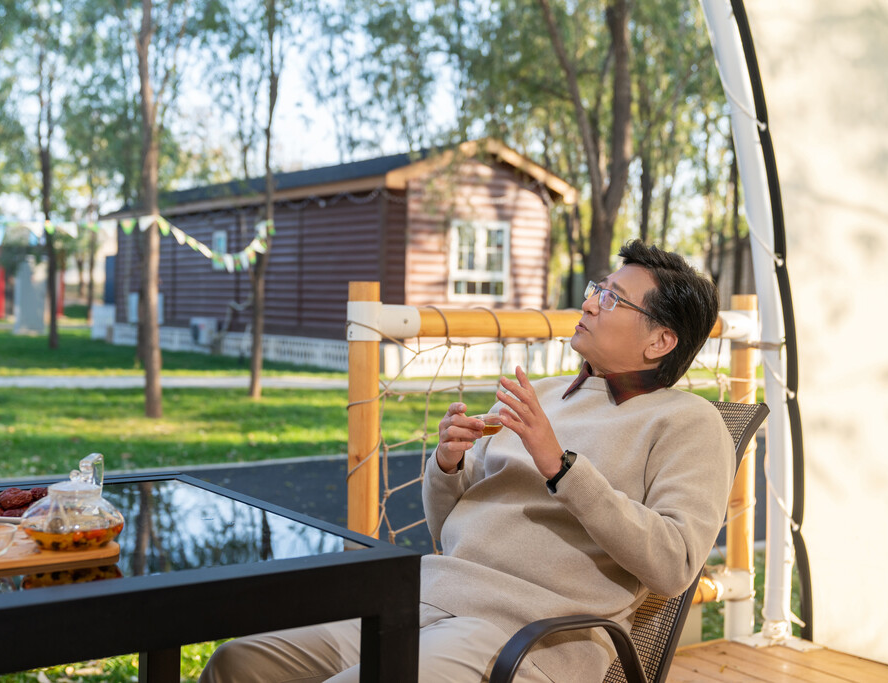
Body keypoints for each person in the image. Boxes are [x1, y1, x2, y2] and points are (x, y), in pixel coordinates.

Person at [200, 239, 735, 683]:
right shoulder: (542, 395)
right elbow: (446, 531)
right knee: (238, 663)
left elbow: (674, 565)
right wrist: (449, 465)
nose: (589, 304)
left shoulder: (687, 423)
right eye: (598, 290)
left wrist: (561, 467)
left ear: (660, 341)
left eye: (613, 300)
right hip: (425, 600)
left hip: (526, 637)